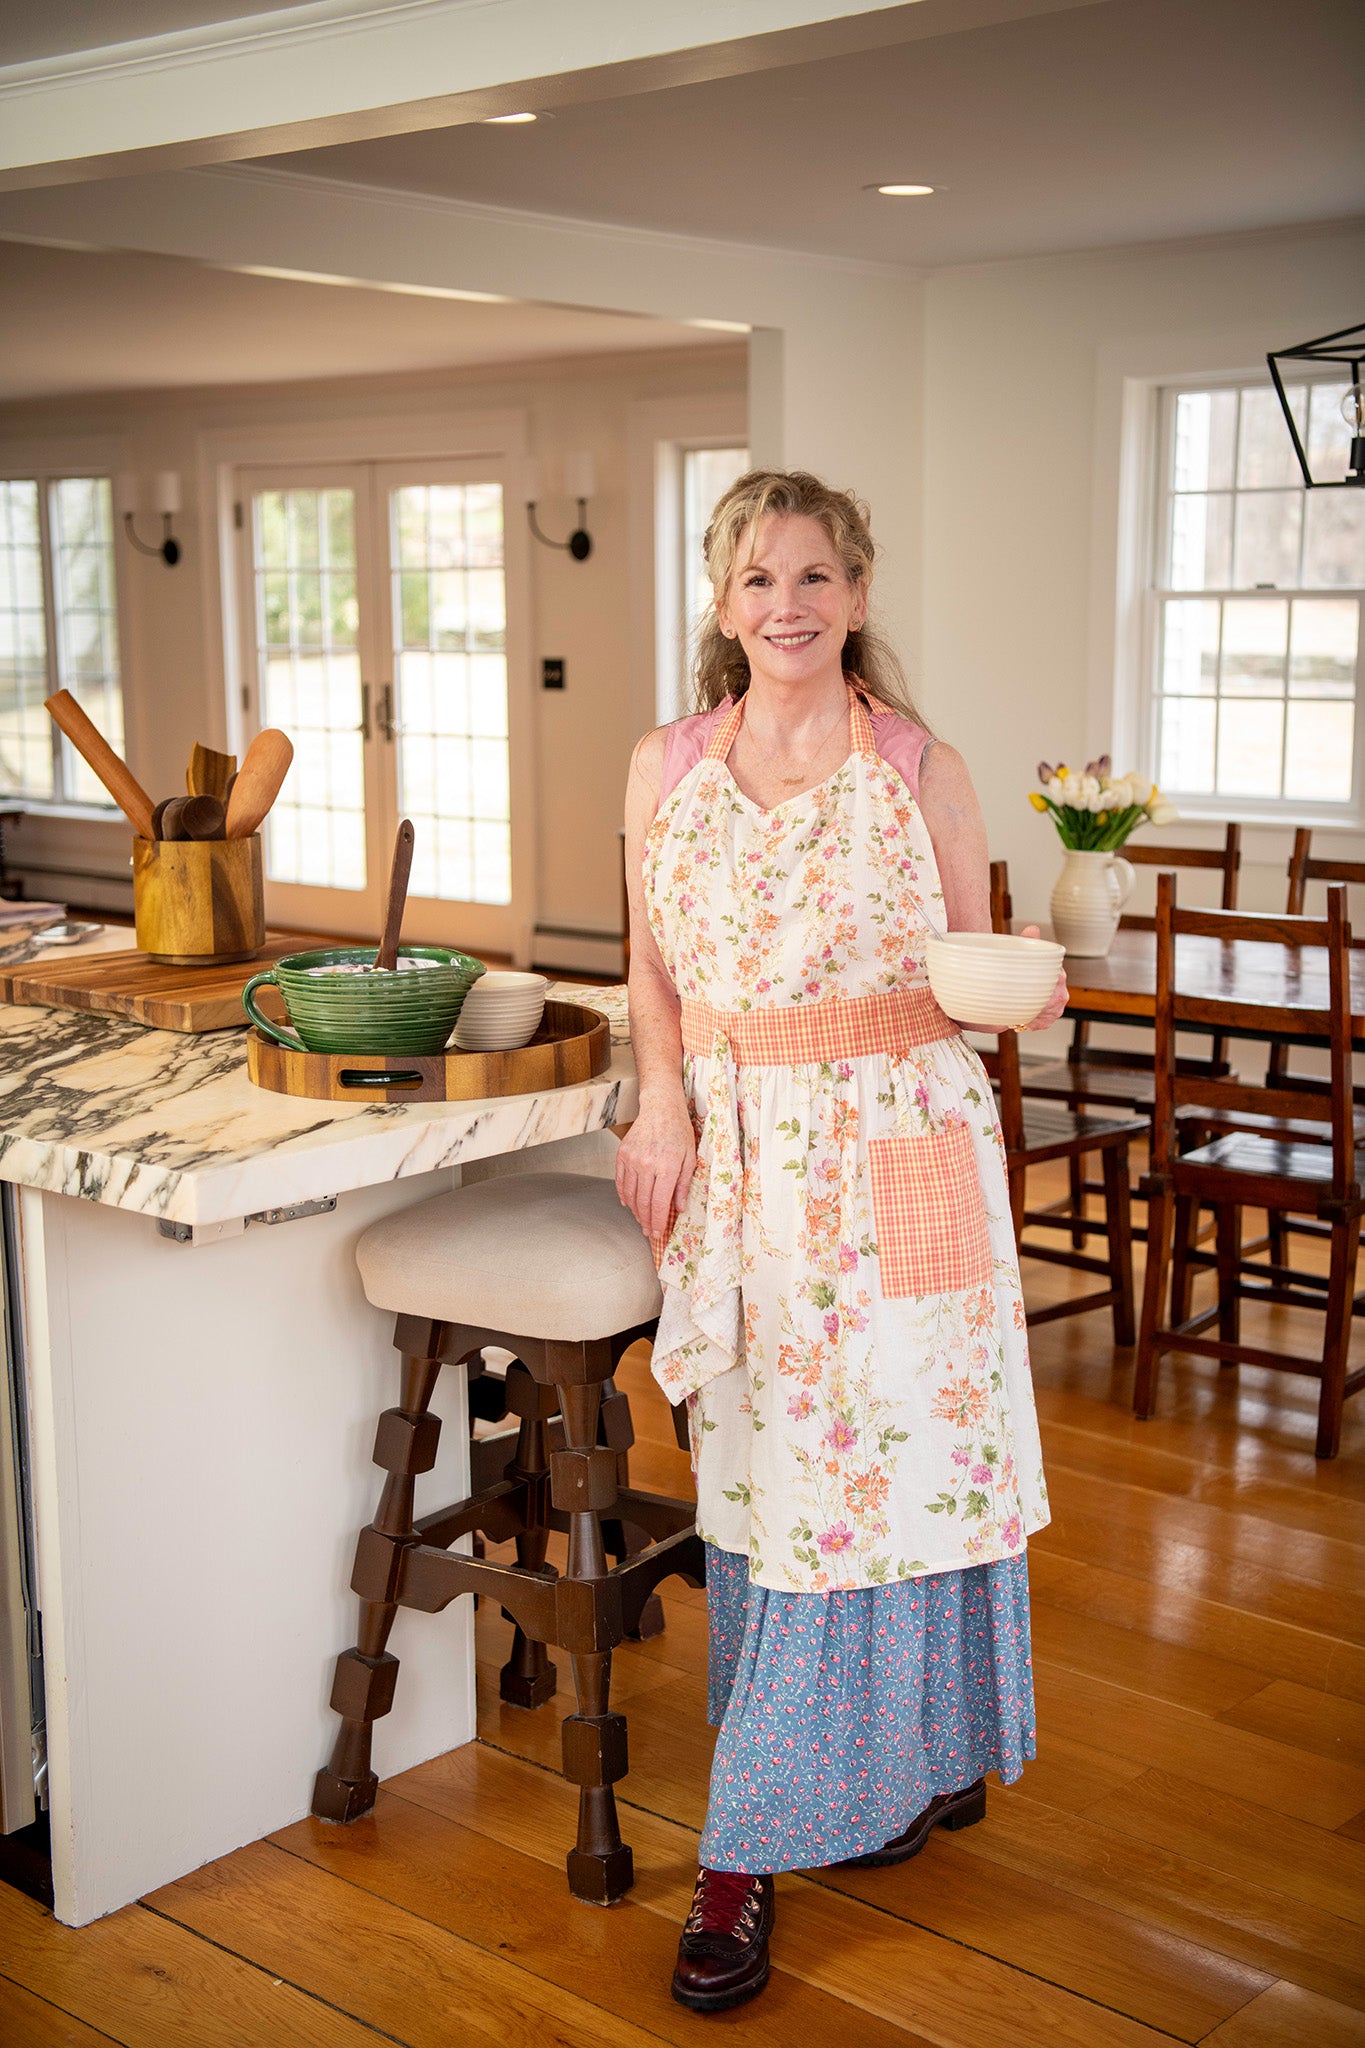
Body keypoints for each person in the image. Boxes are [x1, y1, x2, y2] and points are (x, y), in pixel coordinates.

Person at [617, 469, 1066, 2015]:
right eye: (757, 582)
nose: (786, 607)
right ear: (722, 601)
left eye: (814, 578)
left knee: (897, 1473)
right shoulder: (666, 763)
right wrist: (658, 1106)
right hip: (738, 1158)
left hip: (900, 1152)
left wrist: (1039, 973)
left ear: (857, 595)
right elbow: (648, 969)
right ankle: (838, 1788)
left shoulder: (918, 764)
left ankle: (759, 1843)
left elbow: (977, 968)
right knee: (764, 1478)